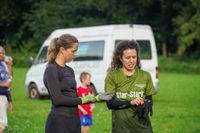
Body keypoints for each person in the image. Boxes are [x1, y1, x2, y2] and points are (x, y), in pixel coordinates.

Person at [43, 34, 96, 133]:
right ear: (62, 50)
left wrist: (94, 99)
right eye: (73, 51)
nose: (75, 54)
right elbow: (57, 99)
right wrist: (81, 100)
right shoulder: (51, 69)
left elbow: (73, 95)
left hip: (74, 120)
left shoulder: (70, 70)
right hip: (59, 122)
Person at [104, 40, 156, 133]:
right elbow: (110, 104)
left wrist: (147, 104)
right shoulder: (112, 76)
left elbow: (149, 99)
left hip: (143, 128)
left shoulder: (145, 75)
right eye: (128, 58)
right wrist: (131, 102)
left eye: (134, 57)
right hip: (121, 129)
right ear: (120, 58)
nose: (132, 61)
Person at [0, 46, 12, 133]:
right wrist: (3, 84)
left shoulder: (4, 65)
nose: (2, 55)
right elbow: (6, 83)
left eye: (3, 53)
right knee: (2, 123)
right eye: (0, 53)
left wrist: (10, 100)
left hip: (4, 95)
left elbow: (9, 80)